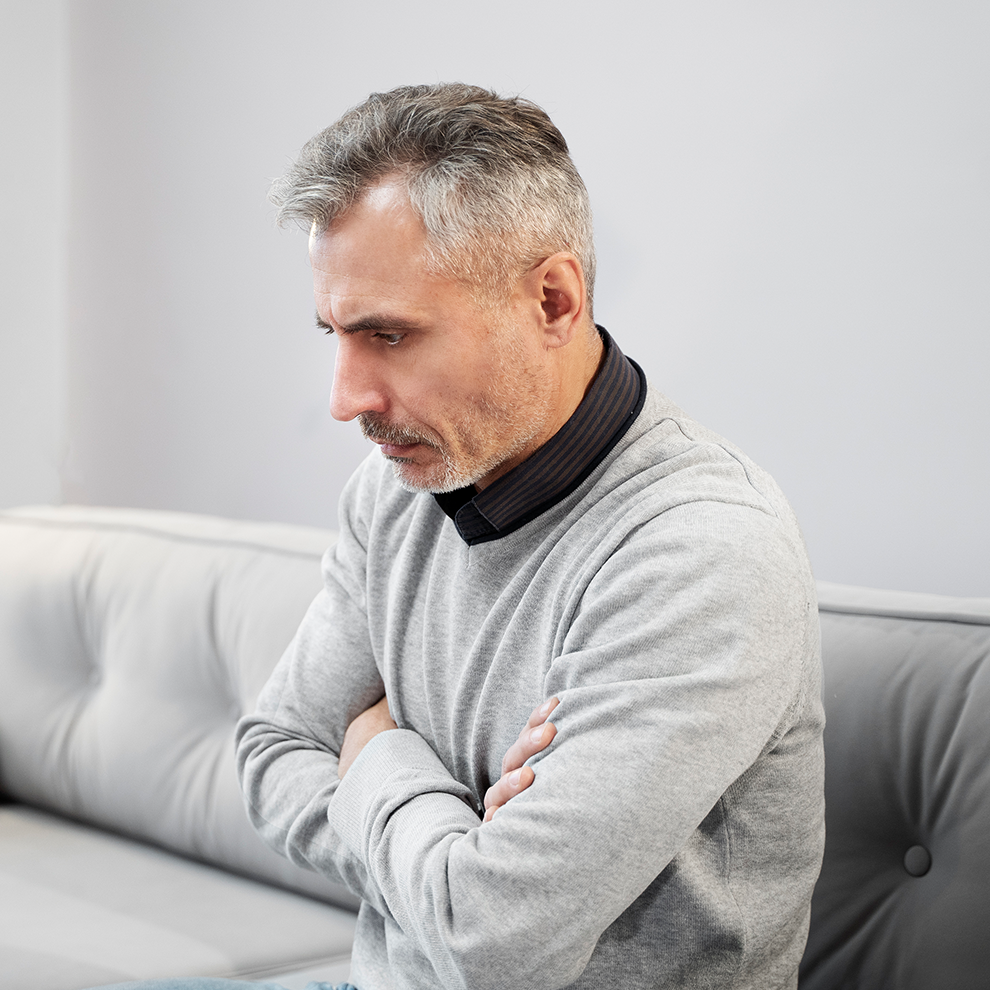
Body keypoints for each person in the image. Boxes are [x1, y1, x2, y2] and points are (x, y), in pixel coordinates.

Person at [92, 82, 825, 990]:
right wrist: (456, 841)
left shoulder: (702, 551)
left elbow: (493, 941)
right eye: (335, 332)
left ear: (553, 301)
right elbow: (273, 753)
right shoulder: (398, 488)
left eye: (389, 335)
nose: (344, 398)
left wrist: (376, 749)